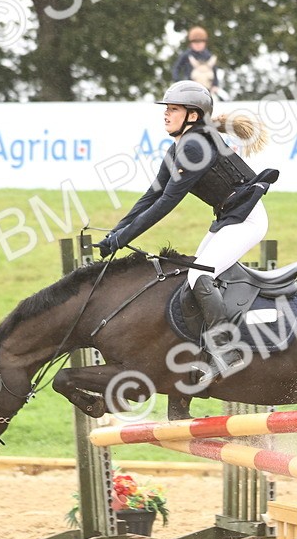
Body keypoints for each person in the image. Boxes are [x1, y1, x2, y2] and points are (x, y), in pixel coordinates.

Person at [96, 81, 278, 385]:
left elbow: (167, 202)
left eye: (173, 109)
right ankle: (207, 346)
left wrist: (123, 239)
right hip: (230, 219)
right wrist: (115, 233)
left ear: (192, 116)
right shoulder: (179, 147)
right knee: (195, 274)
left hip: (248, 220)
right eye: (166, 109)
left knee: (198, 276)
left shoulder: (195, 146)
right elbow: (150, 196)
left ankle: (228, 351)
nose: (165, 115)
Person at [171, 26, 219, 95]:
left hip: (207, 89)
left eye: (200, 42)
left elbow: (214, 72)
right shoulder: (186, 55)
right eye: (195, 42)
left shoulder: (209, 56)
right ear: (191, 43)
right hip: (189, 87)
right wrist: (178, 81)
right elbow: (176, 68)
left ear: (205, 43)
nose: (198, 45)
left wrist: (215, 85)